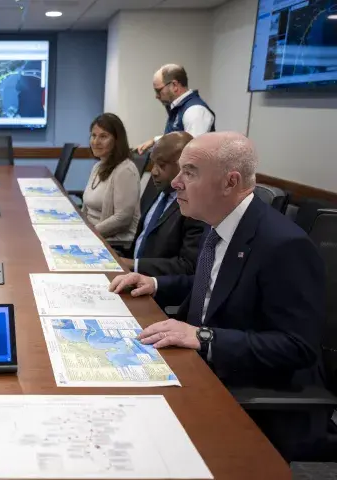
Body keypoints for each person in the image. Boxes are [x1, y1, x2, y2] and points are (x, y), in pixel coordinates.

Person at [109, 132, 325, 461]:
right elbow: (216, 283)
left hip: (245, 389)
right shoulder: (220, 221)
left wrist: (204, 336)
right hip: (201, 368)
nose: (175, 183)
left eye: (190, 173)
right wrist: (156, 283)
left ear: (229, 182)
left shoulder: (284, 245)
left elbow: (298, 347)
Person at [118, 131, 205, 276]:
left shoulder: (196, 206)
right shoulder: (157, 187)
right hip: (131, 274)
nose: (153, 172)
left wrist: (135, 265)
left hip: (158, 288)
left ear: (184, 165)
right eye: (153, 164)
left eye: (161, 165)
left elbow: (187, 266)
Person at [81, 113, 141, 243]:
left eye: (103, 136)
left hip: (113, 242)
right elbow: (86, 208)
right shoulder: (98, 166)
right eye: (93, 135)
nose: (96, 142)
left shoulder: (125, 170)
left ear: (117, 140)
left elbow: (122, 218)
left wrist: (88, 233)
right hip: (92, 235)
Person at [136, 64, 215, 154]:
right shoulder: (178, 108)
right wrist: (155, 140)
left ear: (174, 85)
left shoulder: (195, 111)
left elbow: (193, 153)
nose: (156, 96)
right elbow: (178, 138)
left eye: (158, 90)